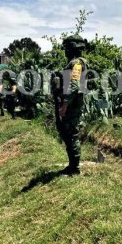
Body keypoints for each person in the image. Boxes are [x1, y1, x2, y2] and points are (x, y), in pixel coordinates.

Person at [55, 34, 88, 175]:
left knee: (72, 134)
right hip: (69, 103)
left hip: (72, 105)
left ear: (72, 48)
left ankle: (74, 168)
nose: (65, 50)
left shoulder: (77, 64)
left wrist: (65, 105)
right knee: (67, 134)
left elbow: (74, 85)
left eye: (66, 47)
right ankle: (72, 166)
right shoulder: (73, 63)